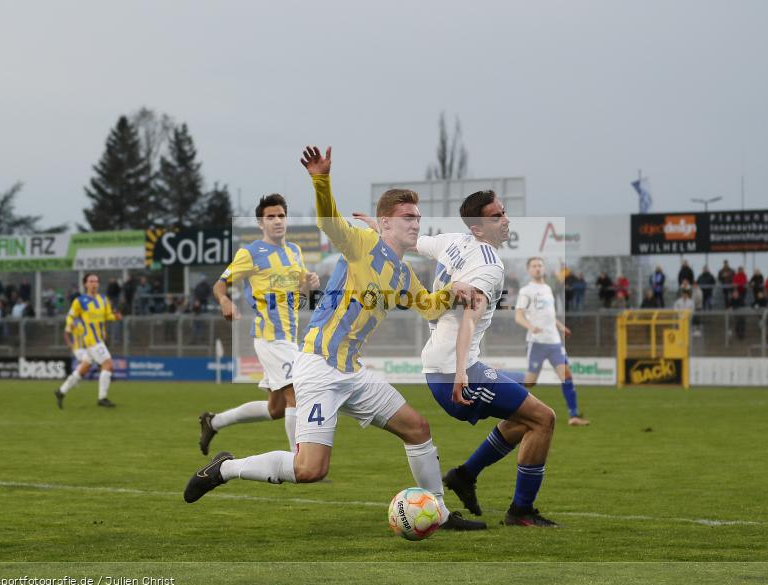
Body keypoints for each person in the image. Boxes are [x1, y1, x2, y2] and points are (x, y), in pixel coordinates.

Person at [183, 146, 484, 531]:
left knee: (417, 429)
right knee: (309, 469)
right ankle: (226, 468)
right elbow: (328, 222)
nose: (416, 224)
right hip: (319, 368)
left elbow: (428, 307)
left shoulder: (403, 274)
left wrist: (453, 292)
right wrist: (321, 179)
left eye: (418, 218)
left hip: (352, 372)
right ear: (384, 223)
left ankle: (439, 513)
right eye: (407, 217)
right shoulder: (361, 243)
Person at [418, 192, 561, 527]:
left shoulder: (452, 241)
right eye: (496, 216)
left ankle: (466, 475)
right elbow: (469, 316)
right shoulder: (489, 267)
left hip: (443, 366)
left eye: (504, 212)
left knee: (524, 419)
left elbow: (415, 242)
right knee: (544, 419)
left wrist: (375, 227)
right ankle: (520, 511)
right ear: (479, 228)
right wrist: (461, 374)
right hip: (457, 371)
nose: (506, 219)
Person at [198, 194, 319, 455]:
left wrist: (308, 286)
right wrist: (224, 301)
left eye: (281, 216)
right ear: (260, 223)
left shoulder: (294, 252)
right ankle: (298, 461)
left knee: (275, 409)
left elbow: (298, 295)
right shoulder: (250, 253)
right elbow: (219, 284)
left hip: (289, 337)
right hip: (270, 337)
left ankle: (214, 421)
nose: (277, 221)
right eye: (270, 217)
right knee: (297, 394)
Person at [514, 257, 589, 426]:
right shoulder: (526, 291)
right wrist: (530, 326)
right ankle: (500, 380)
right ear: (529, 270)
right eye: (534, 266)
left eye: (540, 265)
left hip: (554, 341)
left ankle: (574, 416)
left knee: (566, 375)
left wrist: (561, 327)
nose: (538, 268)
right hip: (537, 342)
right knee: (530, 381)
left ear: (544, 268)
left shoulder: (548, 289)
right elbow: (518, 316)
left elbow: (550, 315)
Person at [54, 273, 122, 408]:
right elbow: (71, 316)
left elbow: (107, 315)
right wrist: (70, 323)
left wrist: (116, 317)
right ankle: (102, 398)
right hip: (91, 340)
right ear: (85, 284)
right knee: (108, 364)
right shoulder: (79, 301)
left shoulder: (104, 299)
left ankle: (61, 391)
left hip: (100, 338)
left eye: (96, 281)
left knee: (83, 369)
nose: (94, 284)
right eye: (91, 281)